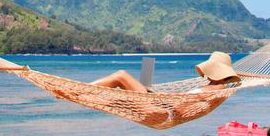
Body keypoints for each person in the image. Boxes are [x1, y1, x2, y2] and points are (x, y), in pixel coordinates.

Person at [91, 51, 240, 93]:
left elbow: (181, 102)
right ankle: (81, 91)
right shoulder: (214, 87)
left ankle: (80, 89)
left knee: (121, 75)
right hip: (159, 103)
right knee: (123, 81)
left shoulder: (217, 88)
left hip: (160, 109)